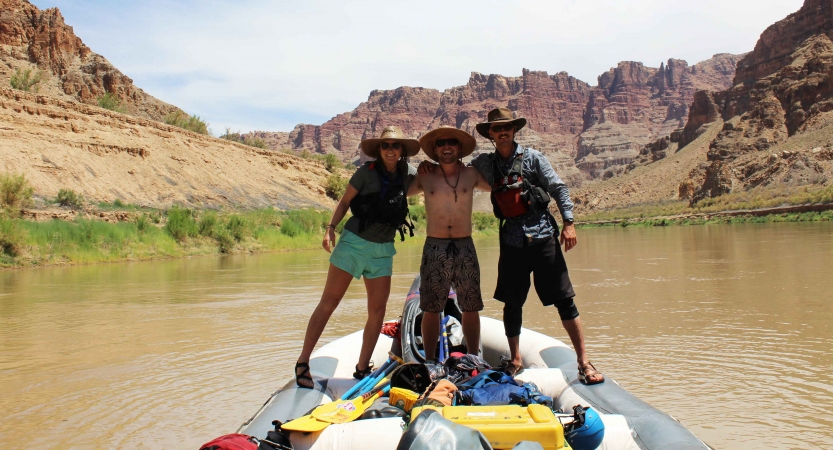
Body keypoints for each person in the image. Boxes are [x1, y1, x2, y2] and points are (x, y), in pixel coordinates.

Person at [418, 108, 604, 384]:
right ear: (490, 134)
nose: (502, 131)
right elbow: (455, 167)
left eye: (506, 127)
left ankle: (584, 362)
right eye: (496, 128)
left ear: (514, 130)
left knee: (565, 301)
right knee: (512, 304)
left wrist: (569, 222)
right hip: (512, 243)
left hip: (543, 239)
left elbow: (559, 188)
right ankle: (515, 359)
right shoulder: (485, 164)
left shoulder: (533, 158)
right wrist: (429, 166)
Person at [294, 126, 419, 389]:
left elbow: (426, 186)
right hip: (353, 244)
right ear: (379, 149)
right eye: (386, 146)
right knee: (329, 301)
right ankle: (303, 361)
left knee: (377, 310)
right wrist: (330, 228)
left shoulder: (409, 174)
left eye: (396, 145)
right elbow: (344, 202)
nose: (391, 150)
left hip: (383, 250)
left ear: (402, 150)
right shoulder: (365, 173)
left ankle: (362, 369)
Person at [408, 126, 491, 362]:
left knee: (471, 305)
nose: (446, 147)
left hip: (465, 246)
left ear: (459, 148)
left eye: (451, 142)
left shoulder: (472, 174)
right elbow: (399, 190)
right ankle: (431, 361)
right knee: (431, 307)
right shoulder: (425, 175)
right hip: (435, 246)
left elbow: (498, 187)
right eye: (441, 143)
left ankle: (473, 358)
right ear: (435, 149)